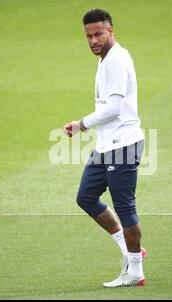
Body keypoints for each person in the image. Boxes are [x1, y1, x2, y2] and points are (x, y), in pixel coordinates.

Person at [63, 8, 146, 287]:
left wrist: (81, 124)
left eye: (98, 33)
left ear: (111, 31)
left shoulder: (117, 60)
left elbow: (113, 108)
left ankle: (135, 272)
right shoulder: (105, 58)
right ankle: (131, 251)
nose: (93, 40)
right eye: (88, 35)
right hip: (106, 145)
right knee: (86, 197)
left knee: (125, 209)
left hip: (123, 145)